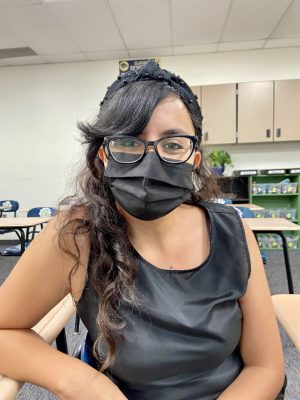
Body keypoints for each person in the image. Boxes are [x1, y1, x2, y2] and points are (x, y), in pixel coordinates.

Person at [0, 61, 286, 400]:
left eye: (173, 144)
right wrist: (83, 381)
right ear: (104, 155)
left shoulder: (232, 233)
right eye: (128, 143)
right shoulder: (78, 236)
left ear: (194, 158)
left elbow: (266, 367)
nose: (151, 162)